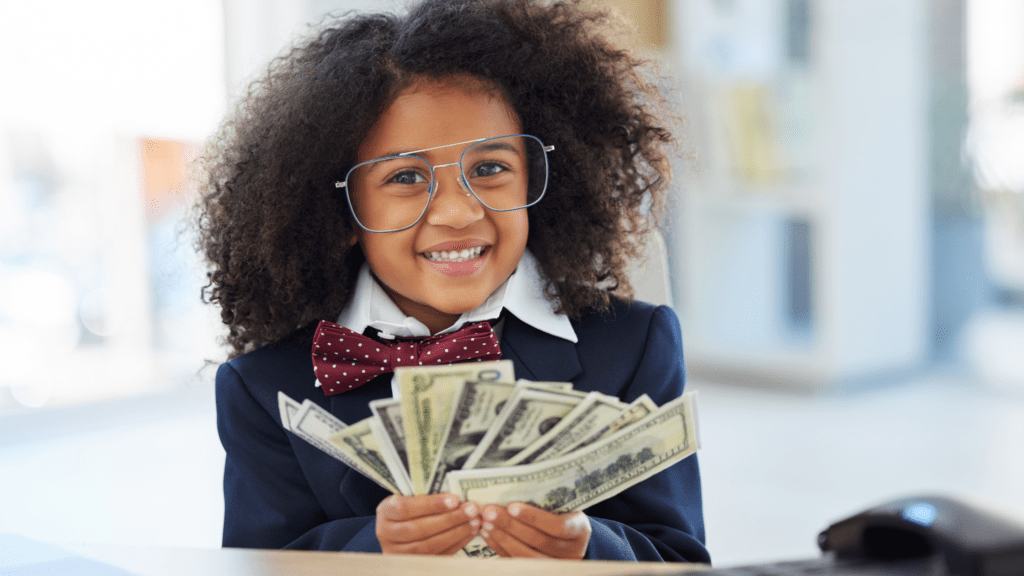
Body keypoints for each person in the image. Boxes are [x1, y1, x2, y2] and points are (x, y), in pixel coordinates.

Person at [195, 0, 709, 563]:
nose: (458, 212)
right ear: (339, 212)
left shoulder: (636, 346)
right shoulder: (263, 389)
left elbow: (682, 558)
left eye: (490, 168)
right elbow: (254, 564)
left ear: (538, 178)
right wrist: (374, 550)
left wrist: (593, 549)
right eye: (407, 177)